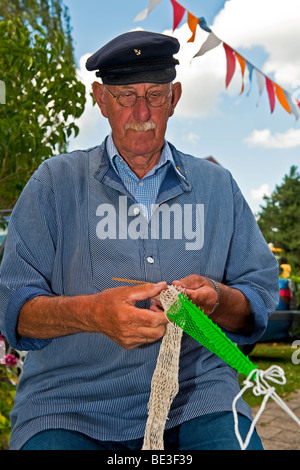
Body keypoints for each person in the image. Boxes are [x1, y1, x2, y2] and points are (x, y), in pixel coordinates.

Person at [0, 31, 279, 451]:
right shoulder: (54, 183)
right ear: (101, 98)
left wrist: (219, 299)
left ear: (176, 97)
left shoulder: (218, 187)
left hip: (198, 398)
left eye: (155, 94)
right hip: (70, 405)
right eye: (126, 95)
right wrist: (92, 313)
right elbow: (12, 307)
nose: (142, 111)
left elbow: (257, 297)